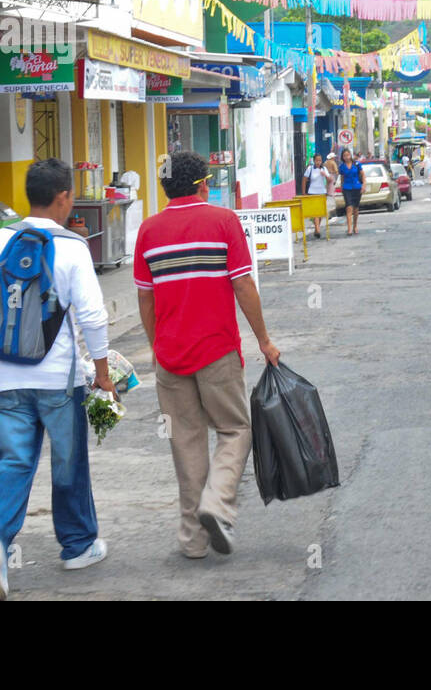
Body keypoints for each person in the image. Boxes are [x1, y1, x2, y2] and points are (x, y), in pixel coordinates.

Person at [0, 158, 115, 601]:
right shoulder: (72, 246)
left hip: (8, 378)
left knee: (14, 462)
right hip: (57, 380)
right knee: (68, 462)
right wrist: (104, 374)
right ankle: (78, 546)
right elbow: (92, 315)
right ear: (63, 197)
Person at [134, 151, 281, 560]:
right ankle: (216, 504)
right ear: (202, 184)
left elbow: (145, 299)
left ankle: (192, 540)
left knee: (186, 442)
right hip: (216, 350)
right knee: (236, 430)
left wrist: (155, 344)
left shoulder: (148, 231)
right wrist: (264, 340)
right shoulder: (223, 221)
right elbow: (244, 287)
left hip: (170, 355)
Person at [336, 148, 365, 236]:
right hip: (347, 188)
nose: (347, 157)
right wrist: (341, 186)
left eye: (348, 155)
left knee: (355, 209)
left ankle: (355, 226)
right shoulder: (342, 167)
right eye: (345, 156)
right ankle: (349, 229)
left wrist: (364, 185)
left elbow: (363, 174)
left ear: (350, 155)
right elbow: (342, 177)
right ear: (342, 157)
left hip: (356, 187)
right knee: (349, 207)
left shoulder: (356, 164)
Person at [304, 153, 332, 239]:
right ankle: (318, 229)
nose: (318, 162)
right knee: (316, 212)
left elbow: (330, 180)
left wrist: (325, 175)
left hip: (322, 192)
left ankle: (317, 229)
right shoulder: (310, 169)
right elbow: (304, 180)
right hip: (312, 192)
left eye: (320, 160)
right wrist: (304, 193)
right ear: (314, 160)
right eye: (317, 160)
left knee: (320, 213)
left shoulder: (324, 169)